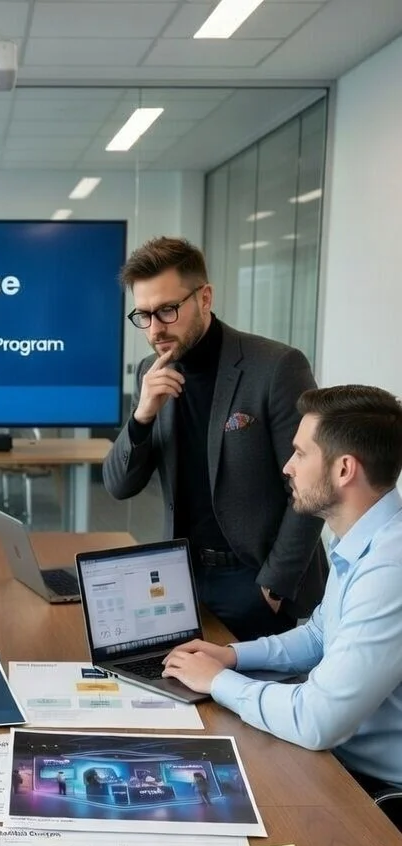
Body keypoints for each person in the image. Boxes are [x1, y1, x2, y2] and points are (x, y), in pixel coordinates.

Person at [162, 385, 402, 801]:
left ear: (344, 469)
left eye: (301, 453)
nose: (288, 467)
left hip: (375, 795)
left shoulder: (390, 568)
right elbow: (319, 635)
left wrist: (218, 681)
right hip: (336, 760)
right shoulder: (368, 541)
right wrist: (233, 656)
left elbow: (316, 720)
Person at [103, 237, 327, 641]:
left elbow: (310, 485)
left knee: (246, 699)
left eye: (167, 310)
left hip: (253, 580)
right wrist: (142, 416)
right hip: (178, 577)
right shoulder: (148, 373)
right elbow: (120, 485)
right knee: (182, 694)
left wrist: (275, 584)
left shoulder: (276, 366)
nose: (155, 329)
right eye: (144, 315)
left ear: (204, 298)